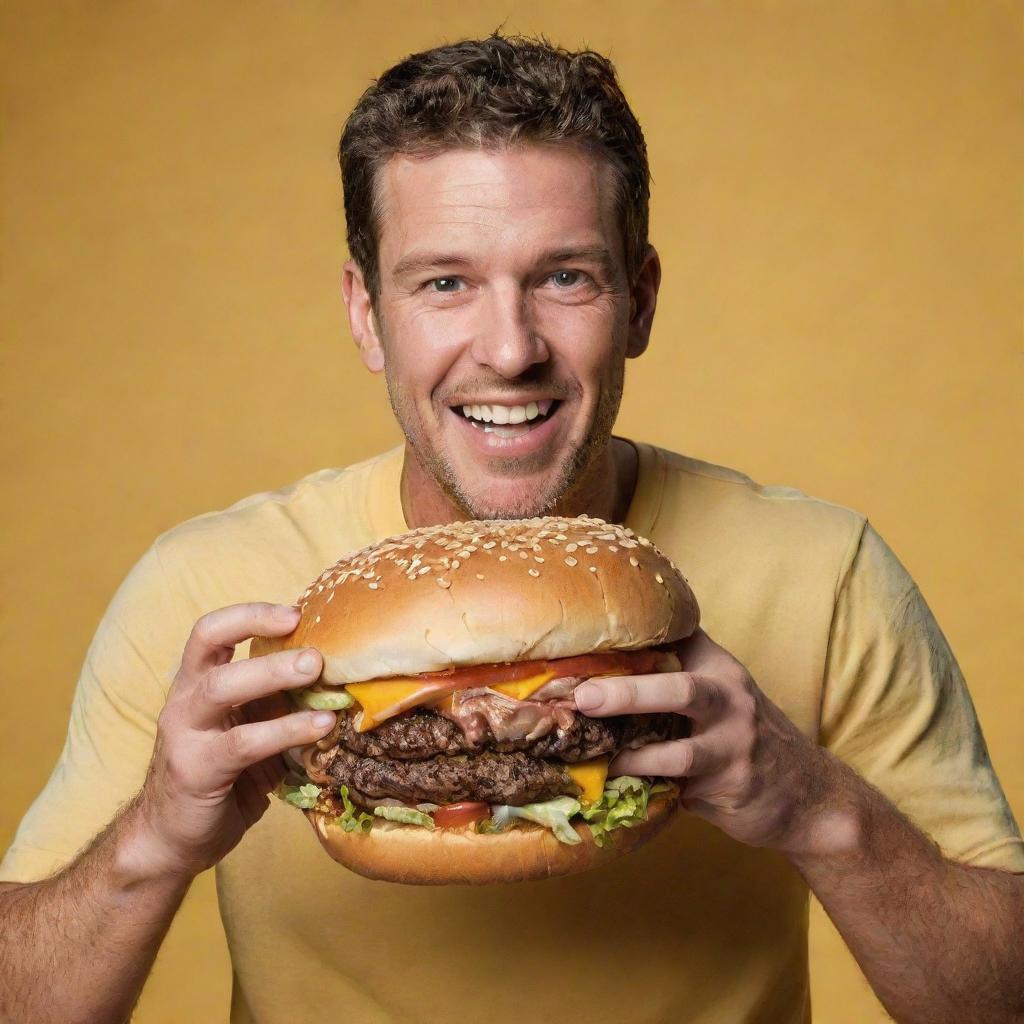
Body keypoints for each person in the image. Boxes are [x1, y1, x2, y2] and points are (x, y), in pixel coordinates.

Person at [1, 32, 1021, 1024]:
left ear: (641, 300)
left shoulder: (823, 573)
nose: (508, 348)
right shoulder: (211, 593)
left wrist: (818, 808)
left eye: (563, 276)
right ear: (366, 312)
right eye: (444, 282)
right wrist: (147, 843)